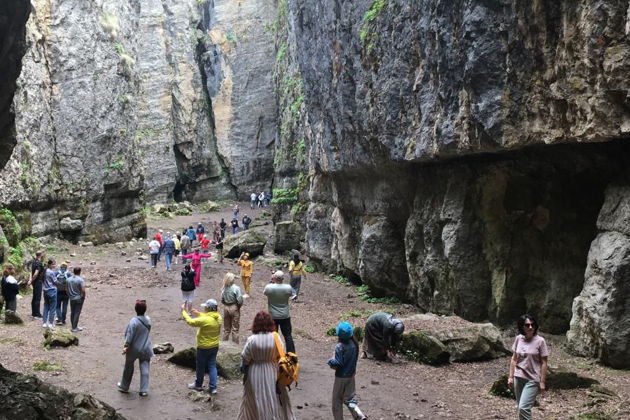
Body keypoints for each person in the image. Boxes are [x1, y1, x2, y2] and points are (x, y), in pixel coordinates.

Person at [237, 310, 295, 420]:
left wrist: (244, 369)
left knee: (255, 398)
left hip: (255, 372)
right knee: (275, 397)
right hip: (273, 370)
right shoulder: (276, 337)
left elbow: (245, 358)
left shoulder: (252, 339)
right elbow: (281, 353)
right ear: (270, 323)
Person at [508, 314, 549, 420]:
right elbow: (514, 358)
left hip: (532, 379)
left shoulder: (540, 341)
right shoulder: (518, 339)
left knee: (523, 407)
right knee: (519, 407)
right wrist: (511, 377)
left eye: (532, 324)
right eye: (527, 325)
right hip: (518, 377)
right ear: (522, 327)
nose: (530, 327)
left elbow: (544, 362)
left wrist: (542, 382)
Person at [182, 299, 222, 394]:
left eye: (205, 307)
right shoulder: (219, 317)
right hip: (214, 346)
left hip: (203, 347)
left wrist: (184, 312)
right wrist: (198, 313)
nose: (204, 308)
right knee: (212, 366)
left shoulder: (206, 320)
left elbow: (191, 322)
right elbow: (208, 318)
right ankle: (213, 387)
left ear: (208, 308)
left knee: (200, 366)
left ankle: (198, 385)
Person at [328, 322, 367, 420]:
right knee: (350, 399)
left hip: (341, 377)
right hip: (351, 375)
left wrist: (330, 361)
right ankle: (359, 415)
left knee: (336, 401)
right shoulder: (354, 344)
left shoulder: (339, 346)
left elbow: (338, 363)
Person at [117, 299, 153, 397]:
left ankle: (124, 386)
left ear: (135, 309)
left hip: (134, 348)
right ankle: (144, 389)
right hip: (146, 347)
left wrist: (126, 346)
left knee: (128, 367)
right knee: (145, 368)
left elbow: (129, 335)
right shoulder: (148, 320)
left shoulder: (134, 321)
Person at [263, 270, 295, 353]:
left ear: (274, 277)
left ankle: (273, 354)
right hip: (285, 315)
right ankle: (291, 355)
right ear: (283, 278)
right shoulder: (288, 287)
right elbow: (291, 294)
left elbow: (265, 293)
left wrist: (271, 281)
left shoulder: (269, 287)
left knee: (273, 336)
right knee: (288, 336)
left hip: (273, 316)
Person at [220, 273, 243, 343]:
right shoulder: (236, 288)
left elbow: (222, 300)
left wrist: (226, 304)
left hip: (226, 308)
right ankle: (235, 347)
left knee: (226, 329)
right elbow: (240, 300)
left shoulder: (224, 288)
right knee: (235, 328)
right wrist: (238, 307)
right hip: (234, 307)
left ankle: (223, 345)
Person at [67, 267, 87, 332]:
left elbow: (66, 289)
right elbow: (83, 290)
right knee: (77, 312)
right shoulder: (80, 280)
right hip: (78, 298)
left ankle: (73, 326)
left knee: (72, 312)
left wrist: (69, 295)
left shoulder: (68, 279)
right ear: (80, 272)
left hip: (71, 298)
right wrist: (83, 296)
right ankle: (74, 327)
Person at [28, 250, 45, 319]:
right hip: (38, 282)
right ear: (41, 255)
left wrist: (30, 280)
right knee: (37, 298)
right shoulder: (39, 263)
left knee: (34, 297)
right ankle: (37, 314)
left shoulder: (34, 262)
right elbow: (35, 274)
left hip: (35, 282)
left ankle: (33, 313)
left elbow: (31, 272)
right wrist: (31, 280)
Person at [42, 259, 58, 328]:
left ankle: (44, 322)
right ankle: (51, 323)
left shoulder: (44, 271)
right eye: (53, 264)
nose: (55, 265)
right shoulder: (51, 272)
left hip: (45, 291)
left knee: (46, 306)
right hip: (52, 290)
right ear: (50, 265)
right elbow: (55, 281)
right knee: (52, 307)